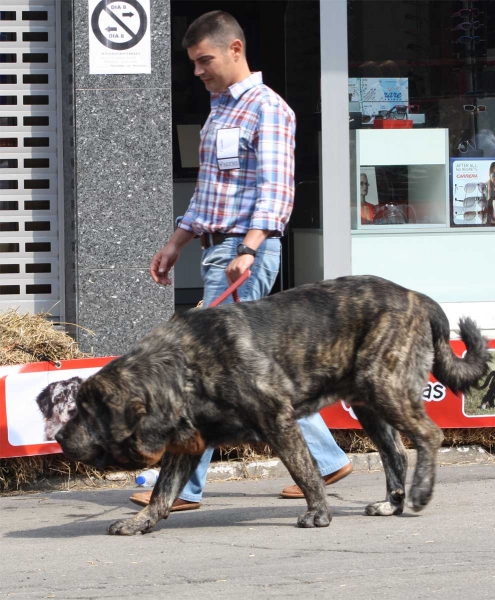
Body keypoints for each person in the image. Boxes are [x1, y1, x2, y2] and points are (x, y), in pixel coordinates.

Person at [130, 11, 351, 512]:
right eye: (193, 62)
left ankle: (183, 486)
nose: (198, 71)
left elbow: (276, 191)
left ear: (234, 49)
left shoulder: (268, 109)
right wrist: (177, 242)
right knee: (253, 371)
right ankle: (324, 458)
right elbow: (213, 193)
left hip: (240, 252)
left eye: (204, 60)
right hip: (220, 249)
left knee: (212, 369)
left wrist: (250, 249)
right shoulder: (220, 110)